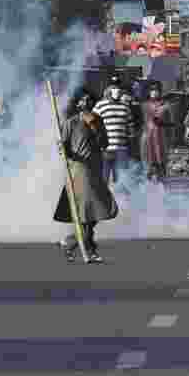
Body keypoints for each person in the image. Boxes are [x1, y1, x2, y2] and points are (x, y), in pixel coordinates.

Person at [54, 88, 116, 263]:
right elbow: (63, 148)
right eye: (83, 99)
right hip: (79, 170)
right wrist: (62, 148)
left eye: (89, 99)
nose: (86, 102)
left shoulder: (98, 120)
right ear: (78, 103)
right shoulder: (71, 123)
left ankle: (70, 242)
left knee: (96, 212)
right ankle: (90, 249)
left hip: (95, 168)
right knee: (88, 213)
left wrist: (95, 127)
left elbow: (104, 143)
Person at [94, 75, 136, 188]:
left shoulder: (125, 107)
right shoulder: (100, 105)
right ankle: (105, 197)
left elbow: (131, 128)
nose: (116, 90)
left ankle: (120, 198)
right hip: (106, 150)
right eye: (113, 87)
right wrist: (98, 142)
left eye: (117, 87)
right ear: (108, 89)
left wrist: (131, 146)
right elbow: (92, 125)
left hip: (121, 149)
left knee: (121, 181)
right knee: (104, 179)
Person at [139, 81, 168, 183]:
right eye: (152, 90)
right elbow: (139, 121)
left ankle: (161, 180)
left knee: (161, 160)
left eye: (156, 90)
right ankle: (149, 178)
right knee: (148, 160)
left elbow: (170, 122)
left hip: (160, 137)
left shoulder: (165, 106)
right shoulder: (143, 105)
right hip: (147, 137)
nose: (154, 92)